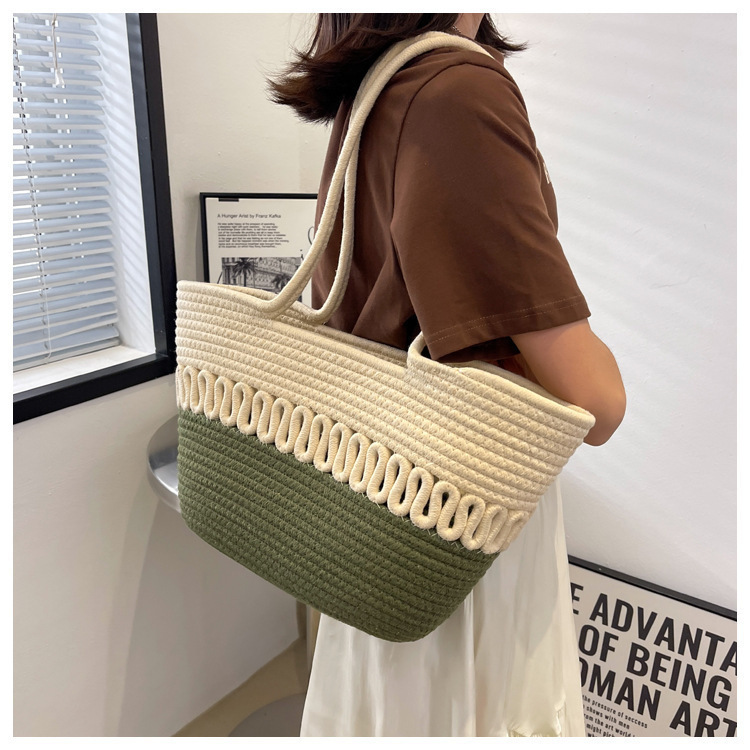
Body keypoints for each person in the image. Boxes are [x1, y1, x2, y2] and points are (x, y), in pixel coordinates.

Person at [268, 13, 626, 737]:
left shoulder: (374, 86)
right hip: (461, 525)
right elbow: (597, 402)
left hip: (377, 502)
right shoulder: (458, 90)